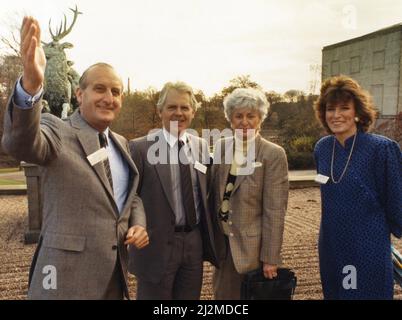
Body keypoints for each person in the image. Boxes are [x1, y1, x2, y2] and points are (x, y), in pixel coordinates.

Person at [1, 17, 149, 300]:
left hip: (115, 278)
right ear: (80, 94)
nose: (109, 97)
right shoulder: (58, 129)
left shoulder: (121, 143)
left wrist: (138, 224)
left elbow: (131, 197)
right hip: (64, 281)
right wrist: (30, 87)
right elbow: (20, 143)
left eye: (116, 92)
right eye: (100, 89)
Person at [313, 75, 402, 299]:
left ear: (358, 113)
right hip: (331, 242)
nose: (336, 115)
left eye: (344, 108)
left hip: (367, 243)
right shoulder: (322, 148)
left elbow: (396, 200)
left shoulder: (381, 149)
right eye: (330, 109)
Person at [128, 81, 218, 300]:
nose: (179, 113)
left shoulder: (201, 146)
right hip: (156, 245)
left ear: (193, 112)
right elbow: (131, 196)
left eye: (184, 108)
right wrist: (136, 225)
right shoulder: (140, 148)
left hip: (193, 242)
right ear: (160, 111)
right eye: (172, 107)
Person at [210, 87, 289, 300]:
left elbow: (275, 211)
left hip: (254, 252)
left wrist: (270, 258)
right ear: (230, 119)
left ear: (260, 119)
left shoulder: (272, 154)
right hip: (224, 250)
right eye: (238, 116)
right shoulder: (220, 147)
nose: (244, 121)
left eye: (250, 116)